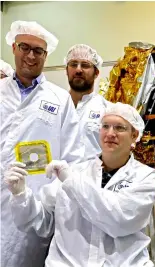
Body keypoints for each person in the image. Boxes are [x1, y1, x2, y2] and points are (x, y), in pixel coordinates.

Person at [5, 102, 155, 267]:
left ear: (134, 135)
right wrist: (20, 195)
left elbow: (119, 220)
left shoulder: (146, 177)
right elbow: (41, 222)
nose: (110, 133)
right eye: (105, 126)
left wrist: (72, 182)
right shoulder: (75, 171)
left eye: (119, 128)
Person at [0, 20, 84, 267]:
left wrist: (54, 202)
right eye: (25, 47)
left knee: (22, 258)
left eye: (38, 51)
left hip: (34, 202)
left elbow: (73, 157)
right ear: (14, 48)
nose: (30, 56)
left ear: (46, 56)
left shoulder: (59, 100)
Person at [65, 44, 110, 159]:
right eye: (73, 64)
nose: (78, 70)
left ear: (96, 73)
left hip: (92, 175)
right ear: (67, 70)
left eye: (85, 65)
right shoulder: (56, 104)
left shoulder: (107, 110)